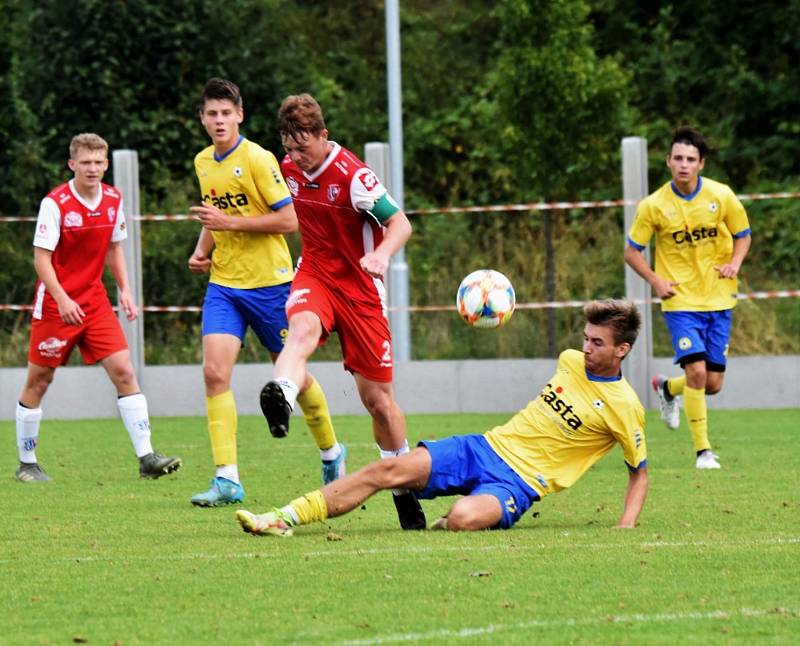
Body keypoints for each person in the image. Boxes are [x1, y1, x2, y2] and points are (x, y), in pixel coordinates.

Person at [236, 299, 648, 536]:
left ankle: (447, 517)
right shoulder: (570, 361)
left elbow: (638, 472)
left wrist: (625, 525)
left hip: (518, 483)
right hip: (481, 448)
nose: (587, 347)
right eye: (586, 339)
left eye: (597, 343)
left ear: (622, 350)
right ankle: (282, 517)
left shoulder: (625, 406)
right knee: (385, 470)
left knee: (464, 520)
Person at [257, 93, 425, 530]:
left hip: (361, 289)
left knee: (379, 404)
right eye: (289, 147)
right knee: (301, 331)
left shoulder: (354, 176)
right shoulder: (287, 167)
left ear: (323, 135)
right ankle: (282, 395)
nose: (295, 156)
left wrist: (384, 255)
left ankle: (404, 488)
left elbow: (400, 222)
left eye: (303, 146)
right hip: (314, 274)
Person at [188, 79, 345, 507]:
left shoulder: (257, 159)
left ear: (240, 115)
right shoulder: (205, 161)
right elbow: (214, 214)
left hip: (272, 285)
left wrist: (229, 226)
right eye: (211, 114)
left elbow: (289, 220)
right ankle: (227, 479)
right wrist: (202, 250)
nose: (219, 120)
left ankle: (331, 450)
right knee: (214, 373)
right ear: (202, 119)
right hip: (224, 285)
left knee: (293, 374)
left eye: (226, 113)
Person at [13, 133, 181, 482]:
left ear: (106, 164)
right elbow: (41, 259)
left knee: (124, 371)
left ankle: (147, 457)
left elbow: (114, 249)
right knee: (39, 380)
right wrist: (61, 298)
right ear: (71, 164)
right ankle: (27, 464)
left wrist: (125, 290)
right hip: (57, 303)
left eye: (98, 162)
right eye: (85, 162)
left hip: (94, 301)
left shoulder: (113, 198)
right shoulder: (55, 203)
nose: (92, 168)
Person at [624, 126, 751, 470]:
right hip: (680, 302)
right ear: (668, 162)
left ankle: (668, 389)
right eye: (677, 158)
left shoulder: (721, 195)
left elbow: (743, 234)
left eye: (690, 159)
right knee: (697, 372)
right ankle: (703, 452)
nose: (683, 164)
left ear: (701, 164)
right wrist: (654, 280)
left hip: (719, 298)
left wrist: (734, 264)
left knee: (711, 384)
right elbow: (632, 251)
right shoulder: (653, 205)